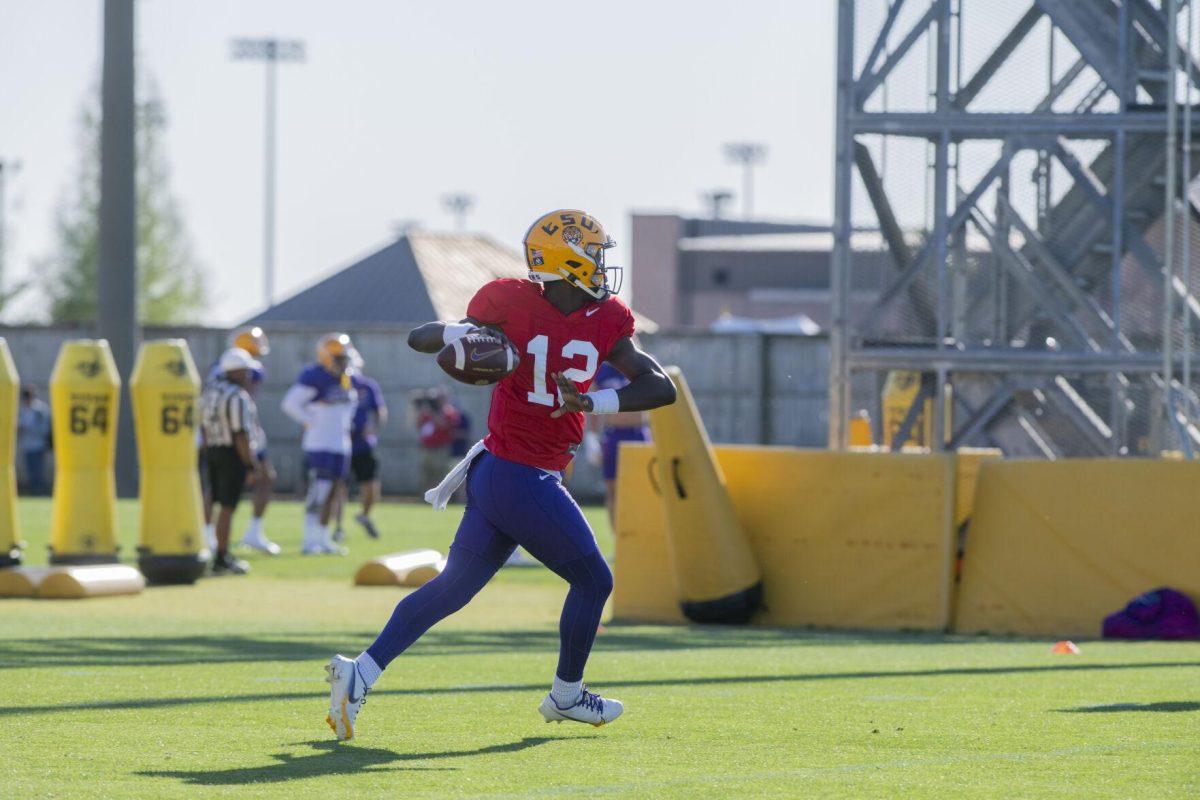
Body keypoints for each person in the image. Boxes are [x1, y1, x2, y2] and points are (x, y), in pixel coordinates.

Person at [324, 209, 676, 741]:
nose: (603, 266)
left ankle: (360, 673)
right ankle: (566, 695)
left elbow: (660, 386)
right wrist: (461, 337)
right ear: (570, 261)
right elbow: (426, 338)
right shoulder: (510, 303)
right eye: (595, 255)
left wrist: (590, 398)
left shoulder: (601, 316)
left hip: (501, 474)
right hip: (519, 474)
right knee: (594, 579)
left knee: (452, 590)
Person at [201, 327, 279, 555]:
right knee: (224, 498)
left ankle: (227, 537)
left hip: (220, 436)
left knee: (219, 493)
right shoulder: (233, 386)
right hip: (235, 436)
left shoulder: (221, 371)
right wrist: (249, 462)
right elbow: (238, 421)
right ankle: (216, 544)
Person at [281, 332, 358, 555]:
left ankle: (323, 539)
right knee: (319, 491)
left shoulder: (346, 377)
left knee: (334, 491)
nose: (345, 363)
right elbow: (290, 404)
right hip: (320, 443)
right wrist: (312, 421)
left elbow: (348, 408)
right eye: (340, 358)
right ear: (327, 357)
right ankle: (308, 539)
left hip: (340, 443)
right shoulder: (313, 375)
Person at [199, 348, 267, 575]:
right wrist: (250, 465)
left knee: (212, 499)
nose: (249, 376)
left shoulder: (210, 392)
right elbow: (240, 434)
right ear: (236, 372)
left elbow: (204, 428)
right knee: (228, 507)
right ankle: (221, 556)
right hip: (232, 454)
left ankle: (210, 546)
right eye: (245, 371)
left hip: (213, 451)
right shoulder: (237, 396)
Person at [589, 361, 650, 526]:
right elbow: (592, 404)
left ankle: (638, 535)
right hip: (613, 434)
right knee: (612, 490)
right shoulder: (602, 370)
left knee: (642, 489)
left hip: (639, 434)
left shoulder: (643, 363)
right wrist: (592, 438)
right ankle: (619, 542)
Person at [349, 358, 387, 539]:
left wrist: (372, 428)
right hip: (341, 441)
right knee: (337, 485)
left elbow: (380, 411)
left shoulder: (367, 385)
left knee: (370, 482)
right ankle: (337, 526)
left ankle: (364, 515)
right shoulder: (338, 383)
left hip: (363, 444)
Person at [414, 389, 459, 491]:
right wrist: (419, 407)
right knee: (426, 474)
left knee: (439, 475)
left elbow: (443, 425)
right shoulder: (427, 412)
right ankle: (425, 499)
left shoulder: (449, 412)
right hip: (426, 449)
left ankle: (438, 498)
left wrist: (433, 413)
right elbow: (418, 425)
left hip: (440, 449)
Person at [16, 386, 51, 496]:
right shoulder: (22, 409)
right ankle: (33, 492)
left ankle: (39, 492)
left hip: (38, 445)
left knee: (37, 471)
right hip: (26, 445)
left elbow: (45, 429)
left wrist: (29, 429)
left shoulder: (40, 410)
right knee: (31, 471)